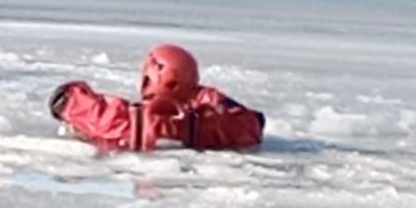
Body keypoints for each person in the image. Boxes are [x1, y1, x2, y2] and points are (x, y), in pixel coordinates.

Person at [49, 44, 265, 152]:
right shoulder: (207, 127)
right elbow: (253, 123)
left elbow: (64, 99)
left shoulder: (124, 120)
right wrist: (199, 96)